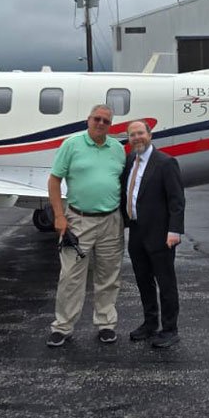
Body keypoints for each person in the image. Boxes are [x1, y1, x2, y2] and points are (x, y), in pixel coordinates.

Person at [46, 104, 126, 347]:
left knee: (109, 275)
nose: (101, 123)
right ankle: (63, 327)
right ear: (88, 120)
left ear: (110, 125)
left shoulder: (117, 149)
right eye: (97, 119)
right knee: (70, 276)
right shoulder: (71, 144)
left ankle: (106, 324)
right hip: (78, 220)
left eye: (106, 121)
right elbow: (54, 180)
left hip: (111, 220)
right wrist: (59, 216)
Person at [120, 119, 185, 348]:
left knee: (166, 283)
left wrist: (174, 231)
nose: (136, 138)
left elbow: (177, 200)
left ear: (150, 135)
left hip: (161, 234)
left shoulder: (166, 163)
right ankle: (150, 323)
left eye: (140, 133)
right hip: (137, 231)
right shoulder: (130, 161)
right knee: (143, 281)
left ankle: (170, 329)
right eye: (132, 135)